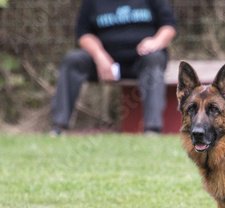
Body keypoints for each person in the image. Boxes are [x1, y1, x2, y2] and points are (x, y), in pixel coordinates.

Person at [50, 0, 177, 136]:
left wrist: (156, 41)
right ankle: (58, 126)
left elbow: (169, 25)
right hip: (105, 64)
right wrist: (99, 55)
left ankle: (152, 129)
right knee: (73, 60)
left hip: (142, 61)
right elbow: (83, 34)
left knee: (154, 58)